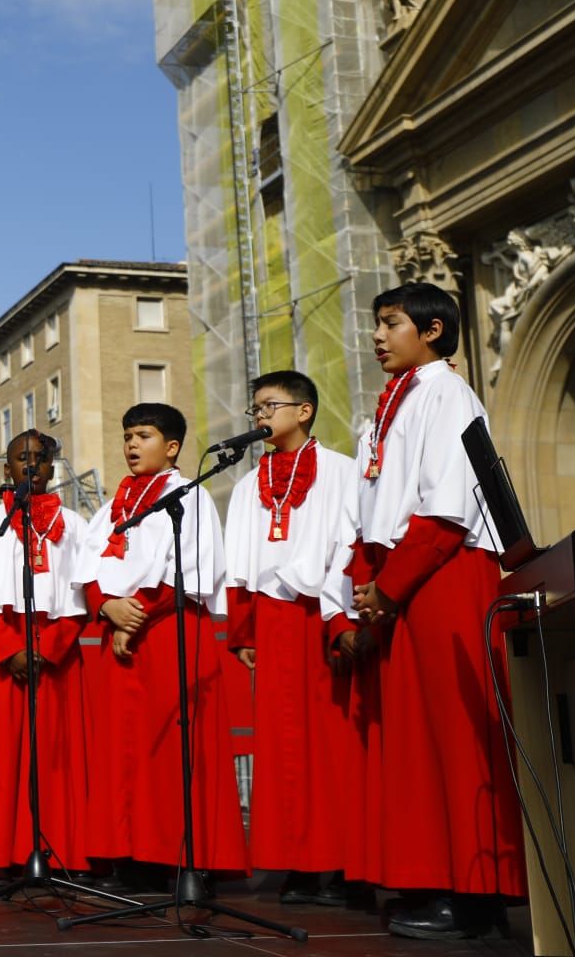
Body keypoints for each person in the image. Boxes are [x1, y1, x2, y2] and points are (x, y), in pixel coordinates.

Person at [349, 283, 526, 940]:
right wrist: (374, 584)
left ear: (430, 329)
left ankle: (477, 897)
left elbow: (445, 509)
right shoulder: (389, 406)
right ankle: (440, 884)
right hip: (405, 579)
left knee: (457, 738)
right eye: (376, 324)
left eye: (390, 323)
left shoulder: (445, 391)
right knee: (419, 744)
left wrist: (389, 587)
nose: (376, 335)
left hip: (445, 574)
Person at [76, 403, 246, 887]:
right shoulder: (116, 502)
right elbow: (89, 565)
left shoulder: (187, 497)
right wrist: (106, 605)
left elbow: (193, 565)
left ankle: (172, 853)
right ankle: (125, 851)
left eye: (143, 435)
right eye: (128, 435)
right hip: (120, 632)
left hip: (168, 630)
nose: (131, 444)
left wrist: (137, 613)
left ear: (171, 447)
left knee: (168, 749)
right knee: (120, 750)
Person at [222, 372, 359, 904]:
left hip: (324, 612)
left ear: (303, 410)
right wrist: (244, 630)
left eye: (269, 405)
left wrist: (342, 620)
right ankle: (296, 863)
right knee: (280, 747)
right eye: (254, 407)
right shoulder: (244, 484)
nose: (258, 416)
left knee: (332, 744)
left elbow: (351, 545)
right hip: (274, 620)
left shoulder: (343, 472)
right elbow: (239, 565)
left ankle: (346, 865)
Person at [0, 430, 92, 884]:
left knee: (56, 758)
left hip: (57, 653)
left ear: (53, 468)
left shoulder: (76, 524)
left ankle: (63, 852)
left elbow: (81, 596)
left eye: (41, 459)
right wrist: (10, 650)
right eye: (21, 458)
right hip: (1, 653)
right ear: (7, 467)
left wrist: (48, 649)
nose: (32, 466)